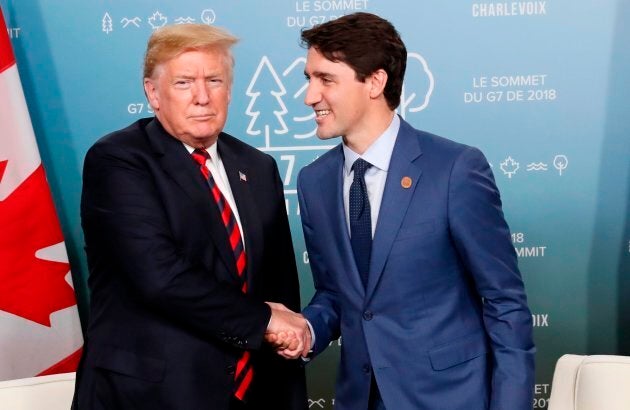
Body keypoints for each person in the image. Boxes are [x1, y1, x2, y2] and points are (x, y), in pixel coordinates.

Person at [292, 12, 535, 410]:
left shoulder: (455, 169)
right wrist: (307, 330)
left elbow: (505, 302)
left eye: (326, 79)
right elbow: (337, 294)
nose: (309, 96)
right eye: (309, 79)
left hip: (449, 398)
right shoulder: (314, 182)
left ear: (375, 81)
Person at [72, 24, 309, 410]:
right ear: (153, 93)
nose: (202, 97)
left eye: (214, 80)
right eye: (184, 82)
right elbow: (159, 276)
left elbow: (279, 285)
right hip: (152, 395)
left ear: (229, 90)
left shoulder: (257, 166)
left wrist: (288, 357)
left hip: (252, 393)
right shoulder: (119, 160)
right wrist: (264, 321)